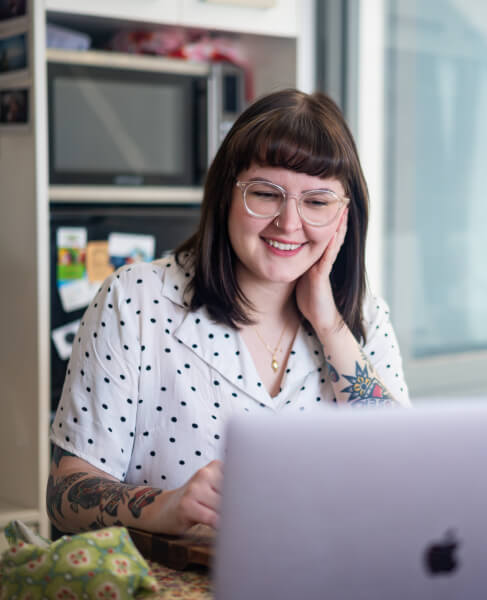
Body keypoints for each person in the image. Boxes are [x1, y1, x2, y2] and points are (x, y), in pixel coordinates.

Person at [47, 89, 411, 535]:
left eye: (316, 202)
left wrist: (329, 323)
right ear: (226, 194)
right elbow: (64, 497)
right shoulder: (135, 299)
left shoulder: (364, 317)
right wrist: (166, 506)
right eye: (265, 194)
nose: (289, 223)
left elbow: (403, 476)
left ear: (345, 216)